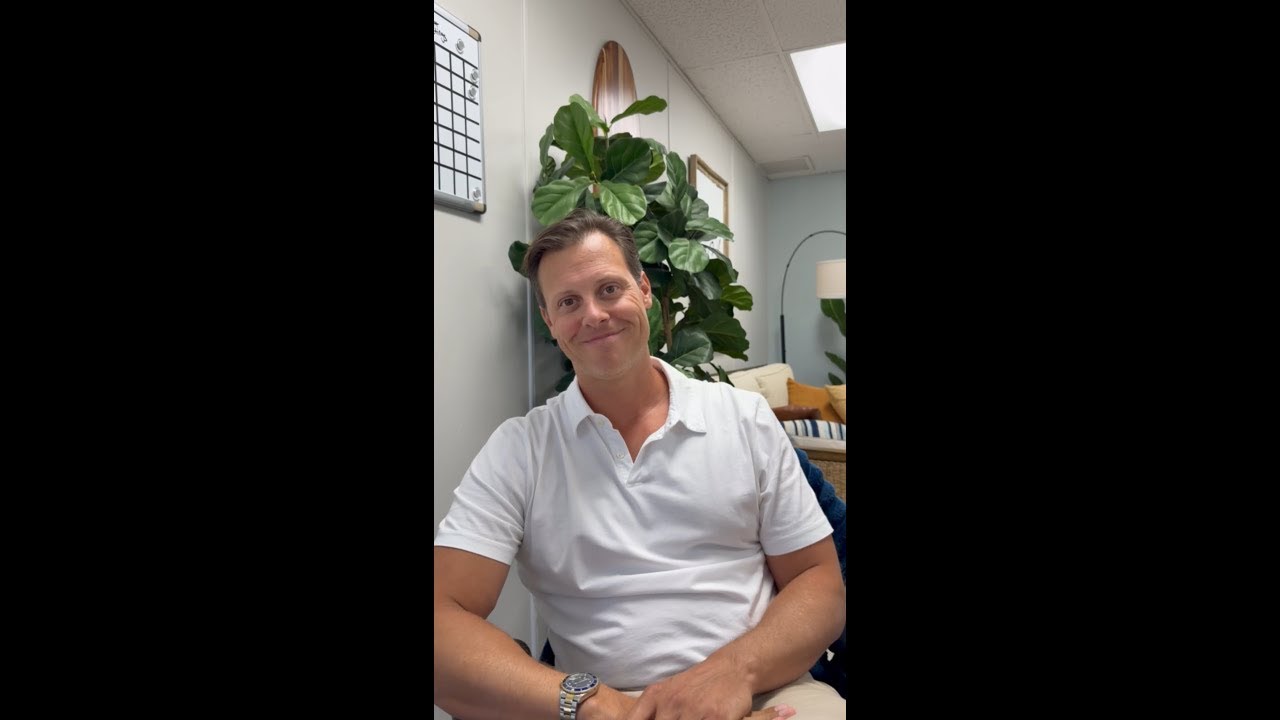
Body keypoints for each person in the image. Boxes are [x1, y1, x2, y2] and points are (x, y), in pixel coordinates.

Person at [434, 209, 846, 720]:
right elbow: (442, 619)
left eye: (609, 289)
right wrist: (598, 705)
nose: (593, 315)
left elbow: (819, 582)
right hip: (597, 705)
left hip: (763, 689)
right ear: (550, 321)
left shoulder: (744, 418)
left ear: (645, 290)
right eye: (568, 302)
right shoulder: (520, 449)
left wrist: (732, 674)